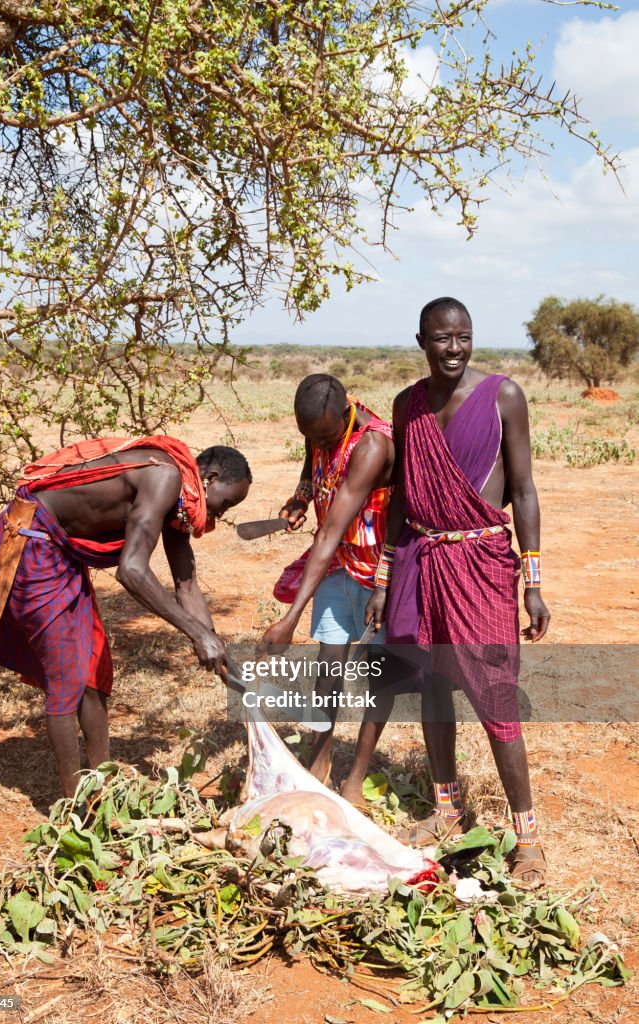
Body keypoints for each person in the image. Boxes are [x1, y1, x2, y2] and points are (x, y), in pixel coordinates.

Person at [362, 297, 550, 888]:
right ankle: (447, 809)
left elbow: (522, 489)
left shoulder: (503, 397)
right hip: (422, 559)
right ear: (421, 340)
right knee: (432, 685)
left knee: (495, 698)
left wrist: (534, 581)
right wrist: (384, 576)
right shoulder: (407, 405)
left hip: (484, 563)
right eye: (442, 338)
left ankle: (527, 840)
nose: (454, 349)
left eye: (463, 337)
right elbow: (399, 498)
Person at [0, 436, 252, 797]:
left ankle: (102, 786)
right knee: (68, 677)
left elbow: (186, 585)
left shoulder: (180, 502)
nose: (220, 515)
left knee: (91, 667)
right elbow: (133, 571)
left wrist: (222, 656)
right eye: (226, 503)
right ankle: (76, 806)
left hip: (58, 551)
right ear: (211, 478)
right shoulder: (165, 478)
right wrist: (196, 635)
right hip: (32, 546)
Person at [257, 374, 394, 801]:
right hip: (338, 563)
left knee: (379, 675)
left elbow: (330, 531)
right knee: (328, 664)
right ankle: (319, 759)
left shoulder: (372, 445)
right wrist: (301, 497)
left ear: (341, 414)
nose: (316, 442)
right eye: (308, 436)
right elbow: (312, 465)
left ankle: (355, 779)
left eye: (323, 435)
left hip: (380, 574)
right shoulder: (320, 427)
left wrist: (290, 618)